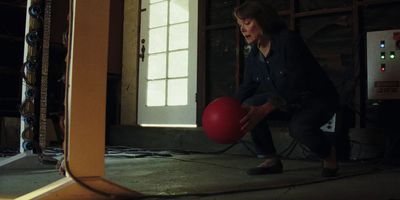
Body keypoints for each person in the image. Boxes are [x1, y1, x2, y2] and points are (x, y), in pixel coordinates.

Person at [233, 0, 340, 177]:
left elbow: (296, 84)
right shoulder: (254, 54)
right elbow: (248, 86)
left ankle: (329, 156)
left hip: (316, 100)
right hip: (284, 101)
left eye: (247, 23)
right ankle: (271, 159)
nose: (242, 29)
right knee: (248, 106)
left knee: (298, 128)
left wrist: (264, 109)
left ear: (263, 20)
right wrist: (228, 109)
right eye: (239, 25)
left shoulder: (288, 41)